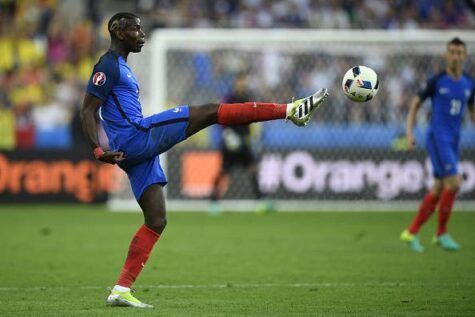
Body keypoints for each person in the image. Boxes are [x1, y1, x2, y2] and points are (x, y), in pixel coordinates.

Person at [80, 12, 328, 308]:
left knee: (156, 220)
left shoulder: (122, 66)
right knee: (210, 111)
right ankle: (290, 110)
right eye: (135, 28)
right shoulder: (107, 64)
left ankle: (121, 289)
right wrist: (97, 149)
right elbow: (87, 109)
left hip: (133, 151)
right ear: (118, 32)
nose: (141, 34)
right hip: (136, 137)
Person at [400, 37, 475, 253]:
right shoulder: (436, 81)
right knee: (454, 184)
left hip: (454, 139)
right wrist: (409, 132)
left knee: (439, 187)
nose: (455, 56)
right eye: (451, 52)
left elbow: (472, 110)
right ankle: (441, 233)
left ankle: (411, 232)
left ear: (464, 56)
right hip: (437, 137)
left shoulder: (470, 83)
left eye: (459, 52)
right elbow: (415, 104)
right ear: (446, 55)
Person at [209, 72, 270, 213]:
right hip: (230, 141)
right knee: (224, 171)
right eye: (240, 81)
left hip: (244, 141)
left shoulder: (249, 97)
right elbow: (220, 115)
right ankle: (213, 202)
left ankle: (261, 201)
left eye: (244, 81)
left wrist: (254, 136)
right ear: (235, 82)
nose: (242, 83)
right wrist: (227, 134)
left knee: (253, 169)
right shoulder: (229, 98)